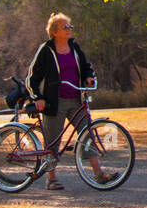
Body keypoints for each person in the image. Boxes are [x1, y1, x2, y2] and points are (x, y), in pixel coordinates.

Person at [25, 13, 118, 189]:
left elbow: (85, 67)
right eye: (65, 27)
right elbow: (32, 78)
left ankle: (98, 174)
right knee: (53, 140)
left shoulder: (74, 47)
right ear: (54, 32)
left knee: (87, 134)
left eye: (70, 26)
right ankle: (51, 179)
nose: (69, 29)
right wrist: (38, 98)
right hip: (54, 102)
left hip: (76, 99)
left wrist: (89, 77)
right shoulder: (46, 49)